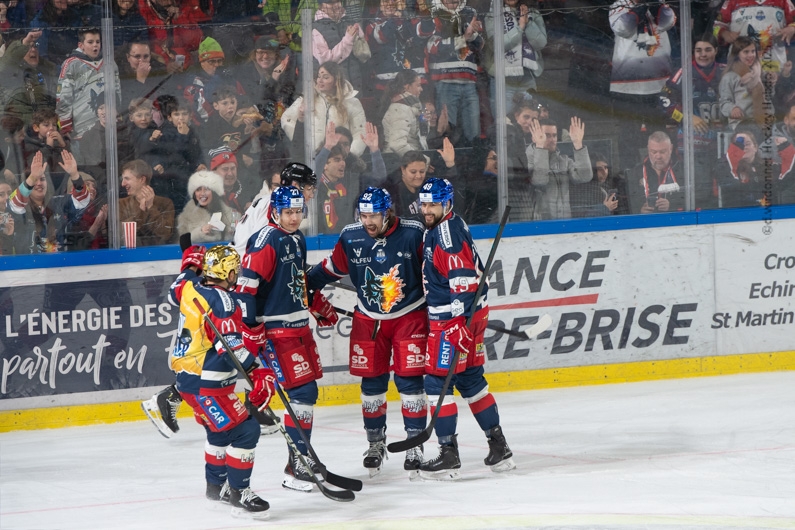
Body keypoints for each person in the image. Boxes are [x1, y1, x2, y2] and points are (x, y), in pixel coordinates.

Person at [307, 187, 429, 478]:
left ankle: (414, 444)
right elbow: (330, 269)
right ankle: (375, 444)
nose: (368, 221)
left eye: (374, 214)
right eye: (363, 215)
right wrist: (302, 285)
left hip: (409, 316)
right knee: (371, 384)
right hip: (369, 320)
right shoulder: (351, 236)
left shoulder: (414, 233)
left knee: (409, 381)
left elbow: (434, 272)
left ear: (387, 212)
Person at [237, 185, 339, 493]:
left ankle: (300, 459)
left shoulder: (296, 238)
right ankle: (296, 465)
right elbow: (246, 290)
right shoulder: (265, 240)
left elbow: (298, 281)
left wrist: (316, 303)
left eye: (298, 212)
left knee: (307, 393)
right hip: (277, 331)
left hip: (298, 327)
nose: (294, 218)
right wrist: (252, 329)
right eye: (288, 213)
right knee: (303, 392)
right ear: (275, 212)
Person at [416, 177, 515, 480]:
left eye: (433, 204)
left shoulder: (445, 234)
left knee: (436, 383)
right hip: (469, 316)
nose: (427, 209)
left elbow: (462, 279)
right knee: (471, 379)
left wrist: (458, 325)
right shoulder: (448, 225)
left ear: (447, 203)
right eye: (424, 203)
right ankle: (499, 448)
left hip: (453, 320)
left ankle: (448, 455)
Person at [168, 244, 274, 519]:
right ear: (226, 272)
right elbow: (230, 347)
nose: (237, 274)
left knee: (218, 433)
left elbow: (174, 289)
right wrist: (258, 372)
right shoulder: (224, 301)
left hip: (187, 382)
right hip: (208, 384)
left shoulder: (189, 285)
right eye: (234, 270)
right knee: (246, 431)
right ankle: (239, 492)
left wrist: (190, 265)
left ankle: (216, 488)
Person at [659, 34, 725, 208]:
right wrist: (686, 116)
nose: (703, 54)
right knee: (699, 191)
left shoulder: (725, 71)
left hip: (721, 142)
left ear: (716, 51)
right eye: (698, 50)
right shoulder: (684, 72)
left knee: (722, 187)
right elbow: (664, 102)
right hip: (692, 145)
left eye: (708, 50)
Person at [55, 28, 120, 161]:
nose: (95, 45)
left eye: (97, 41)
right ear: (81, 45)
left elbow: (117, 92)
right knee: (89, 167)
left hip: (107, 127)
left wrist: (117, 114)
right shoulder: (71, 64)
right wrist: (66, 126)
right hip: (82, 128)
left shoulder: (109, 62)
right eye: (90, 42)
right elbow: (63, 97)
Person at [8, 150, 89, 254]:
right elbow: (14, 204)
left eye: (42, 179)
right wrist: (32, 176)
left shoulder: (59, 202)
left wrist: (74, 175)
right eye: (34, 180)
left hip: (59, 264)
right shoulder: (22, 207)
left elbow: (82, 200)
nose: (39, 183)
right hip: (28, 266)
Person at [281, 61, 367, 158]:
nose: (320, 80)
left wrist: (348, 155)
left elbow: (360, 132)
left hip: (340, 161)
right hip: (312, 158)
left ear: (336, 81)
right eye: (318, 76)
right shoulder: (307, 99)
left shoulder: (351, 102)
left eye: (326, 77)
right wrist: (303, 143)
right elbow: (286, 119)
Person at [426, 0, 484, 143]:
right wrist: (464, 38)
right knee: (446, 131)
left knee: (474, 133)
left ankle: (475, 163)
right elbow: (433, 47)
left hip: (469, 82)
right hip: (446, 82)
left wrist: (473, 34)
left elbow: (480, 45)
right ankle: (447, 163)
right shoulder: (434, 14)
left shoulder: (470, 13)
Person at [232, 162, 317, 256]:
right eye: (309, 189)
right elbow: (257, 249)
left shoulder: (277, 202)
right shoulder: (274, 205)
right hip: (241, 263)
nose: (311, 195)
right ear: (295, 186)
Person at [483, 0, 546, 113]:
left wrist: (528, 23)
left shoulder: (533, 13)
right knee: (504, 120)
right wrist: (520, 27)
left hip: (527, 76)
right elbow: (498, 45)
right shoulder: (493, 15)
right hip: (503, 78)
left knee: (531, 118)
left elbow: (541, 43)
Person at [525, 117, 592, 219]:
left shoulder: (563, 161)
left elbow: (585, 177)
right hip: (539, 226)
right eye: (546, 135)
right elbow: (539, 181)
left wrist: (578, 144)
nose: (552, 140)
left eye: (554, 135)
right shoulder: (527, 159)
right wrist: (540, 146)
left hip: (564, 223)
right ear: (534, 137)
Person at [715, 124, 795, 207]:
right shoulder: (725, 166)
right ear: (733, 148)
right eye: (739, 144)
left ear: (756, 147)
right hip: (738, 216)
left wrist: (785, 147)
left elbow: (787, 178)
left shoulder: (768, 166)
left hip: (767, 215)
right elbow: (728, 181)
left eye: (748, 144)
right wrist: (736, 151)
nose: (743, 147)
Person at [715, 0, 795, 73]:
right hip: (740, 61)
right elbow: (716, 26)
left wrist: (792, 28)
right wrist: (724, 33)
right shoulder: (731, 1)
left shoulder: (784, 1)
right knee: (739, 87)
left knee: (772, 87)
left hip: (773, 61)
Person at [0, 29, 58, 124]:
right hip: (16, 129)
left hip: (45, 128)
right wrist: (24, 42)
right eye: (28, 47)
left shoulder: (48, 72)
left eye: (35, 46)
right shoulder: (9, 73)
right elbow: (5, 65)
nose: (33, 50)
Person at [625, 131, 685, 214]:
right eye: (654, 152)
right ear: (648, 149)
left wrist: (672, 206)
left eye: (662, 152)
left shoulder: (684, 171)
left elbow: (699, 199)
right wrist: (639, 211)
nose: (658, 156)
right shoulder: (634, 173)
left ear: (671, 149)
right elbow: (625, 205)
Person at [118, 158, 175, 245]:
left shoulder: (165, 203)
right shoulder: (121, 204)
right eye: (123, 179)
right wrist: (141, 212)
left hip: (160, 255)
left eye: (127, 179)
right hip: (129, 255)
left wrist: (151, 207)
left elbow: (166, 234)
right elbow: (121, 235)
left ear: (142, 179)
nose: (123, 184)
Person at [177, 170, 236, 243]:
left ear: (214, 192)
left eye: (207, 189)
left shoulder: (232, 214)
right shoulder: (184, 218)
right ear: (194, 194)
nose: (202, 193)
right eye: (198, 190)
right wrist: (199, 233)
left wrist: (233, 233)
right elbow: (181, 245)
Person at [720, 37, 765, 130]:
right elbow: (724, 102)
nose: (751, 55)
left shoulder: (760, 73)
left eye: (753, 51)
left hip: (761, 123)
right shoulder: (729, 77)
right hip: (740, 124)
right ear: (737, 54)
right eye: (746, 52)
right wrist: (732, 109)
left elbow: (768, 97)